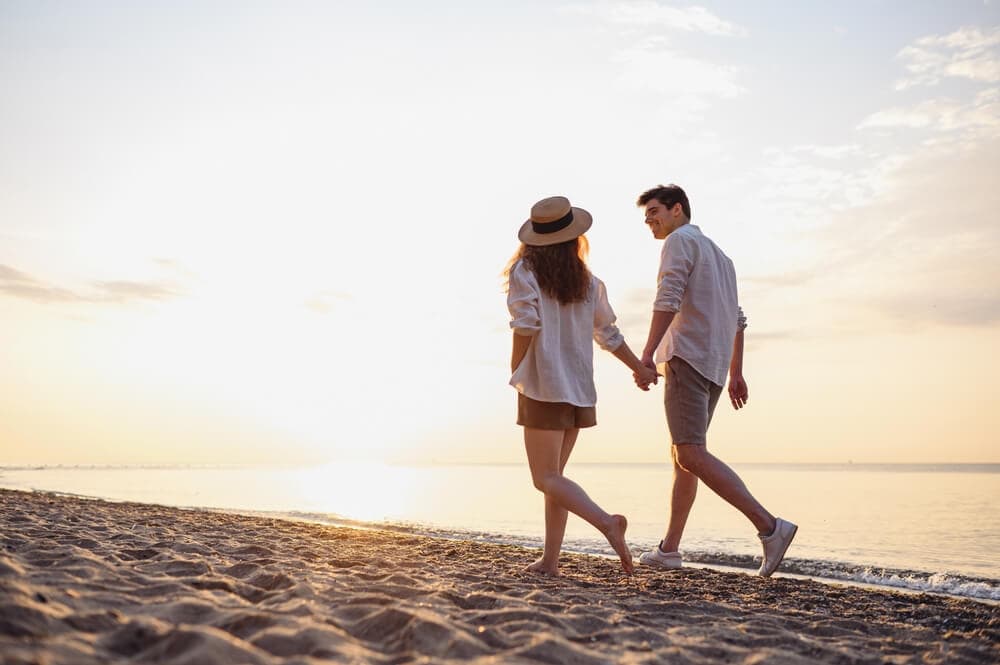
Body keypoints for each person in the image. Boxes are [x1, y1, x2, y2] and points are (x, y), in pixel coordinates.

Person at [632, 184, 797, 577]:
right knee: (683, 458)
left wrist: (648, 353)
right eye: (645, 217)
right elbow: (737, 318)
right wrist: (736, 371)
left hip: (688, 358)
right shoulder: (722, 258)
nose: (650, 221)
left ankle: (770, 527)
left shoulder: (678, 242)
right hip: (713, 365)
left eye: (654, 211)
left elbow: (667, 297)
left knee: (688, 453)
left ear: (677, 209)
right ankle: (670, 549)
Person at [505, 195, 657, 576]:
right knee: (556, 478)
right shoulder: (588, 282)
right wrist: (637, 366)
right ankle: (551, 561)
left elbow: (525, 324)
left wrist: (516, 366)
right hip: (578, 389)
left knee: (546, 478)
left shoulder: (526, 271)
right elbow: (608, 334)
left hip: (544, 383)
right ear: (574, 239)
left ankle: (608, 522)